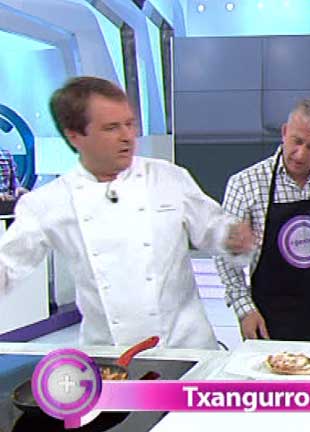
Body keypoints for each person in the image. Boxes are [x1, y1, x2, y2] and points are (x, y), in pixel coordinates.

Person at [0, 76, 254, 349]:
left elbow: (212, 229)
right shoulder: (48, 202)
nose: (127, 136)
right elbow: (7, 264)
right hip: (109, 352)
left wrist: (232, 237)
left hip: (186, 348)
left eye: (130, 124)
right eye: (111, 128)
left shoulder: (168, 177)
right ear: (74, 136)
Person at [214, 98, 310, 342]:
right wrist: (244, 310)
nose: (300, 154)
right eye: (297, 141)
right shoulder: (245, 183)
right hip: (270, 322)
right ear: (285, 132)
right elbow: (225, 257)